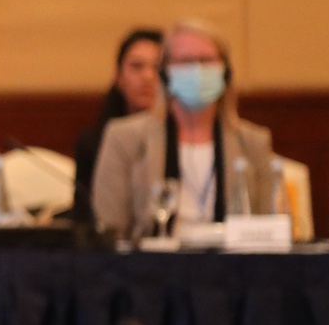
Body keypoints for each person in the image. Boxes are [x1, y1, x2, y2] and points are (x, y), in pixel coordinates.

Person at [91, 19, 274, 239]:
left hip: (231, 258)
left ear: (225, 72)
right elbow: (109, 229)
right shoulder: (125, 138)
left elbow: (269, 227)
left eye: (206, 61)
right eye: (186, 62)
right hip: (152, 258)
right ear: (165, 73)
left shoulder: (253, 142)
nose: (197, 71)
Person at [70, 29, 163, 223]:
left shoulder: (182, 138)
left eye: (158, 67)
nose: (148, 76)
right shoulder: (94, 142)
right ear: (119, 77)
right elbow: (84, 220)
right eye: (137, 66)